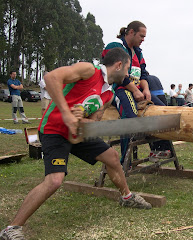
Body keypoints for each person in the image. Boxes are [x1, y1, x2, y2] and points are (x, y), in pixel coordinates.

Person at [0, 48, 152, 240]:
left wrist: (81, 119)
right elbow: (51, 78)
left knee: (112, 157)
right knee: (54, 181)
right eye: (128, 68)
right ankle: (11, 228)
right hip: (54, 130)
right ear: (119, 65)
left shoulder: (108, 95)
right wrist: (66, 113)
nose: (129, 74)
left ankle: (127, 197)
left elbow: (94, 121)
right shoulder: (89, 70)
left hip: (77, 134)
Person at [101, 21, 170, 164]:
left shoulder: (138, 52)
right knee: (130, 117)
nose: (143, 39)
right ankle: (124, 161)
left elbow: (143, 75)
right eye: (141, 36)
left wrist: (145, 90)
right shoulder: (115, 46)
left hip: (136, 89)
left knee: (161, 110)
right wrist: (134, 90)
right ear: (131, 32)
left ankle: (159, 150)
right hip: (116, 89)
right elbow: (117, 74)